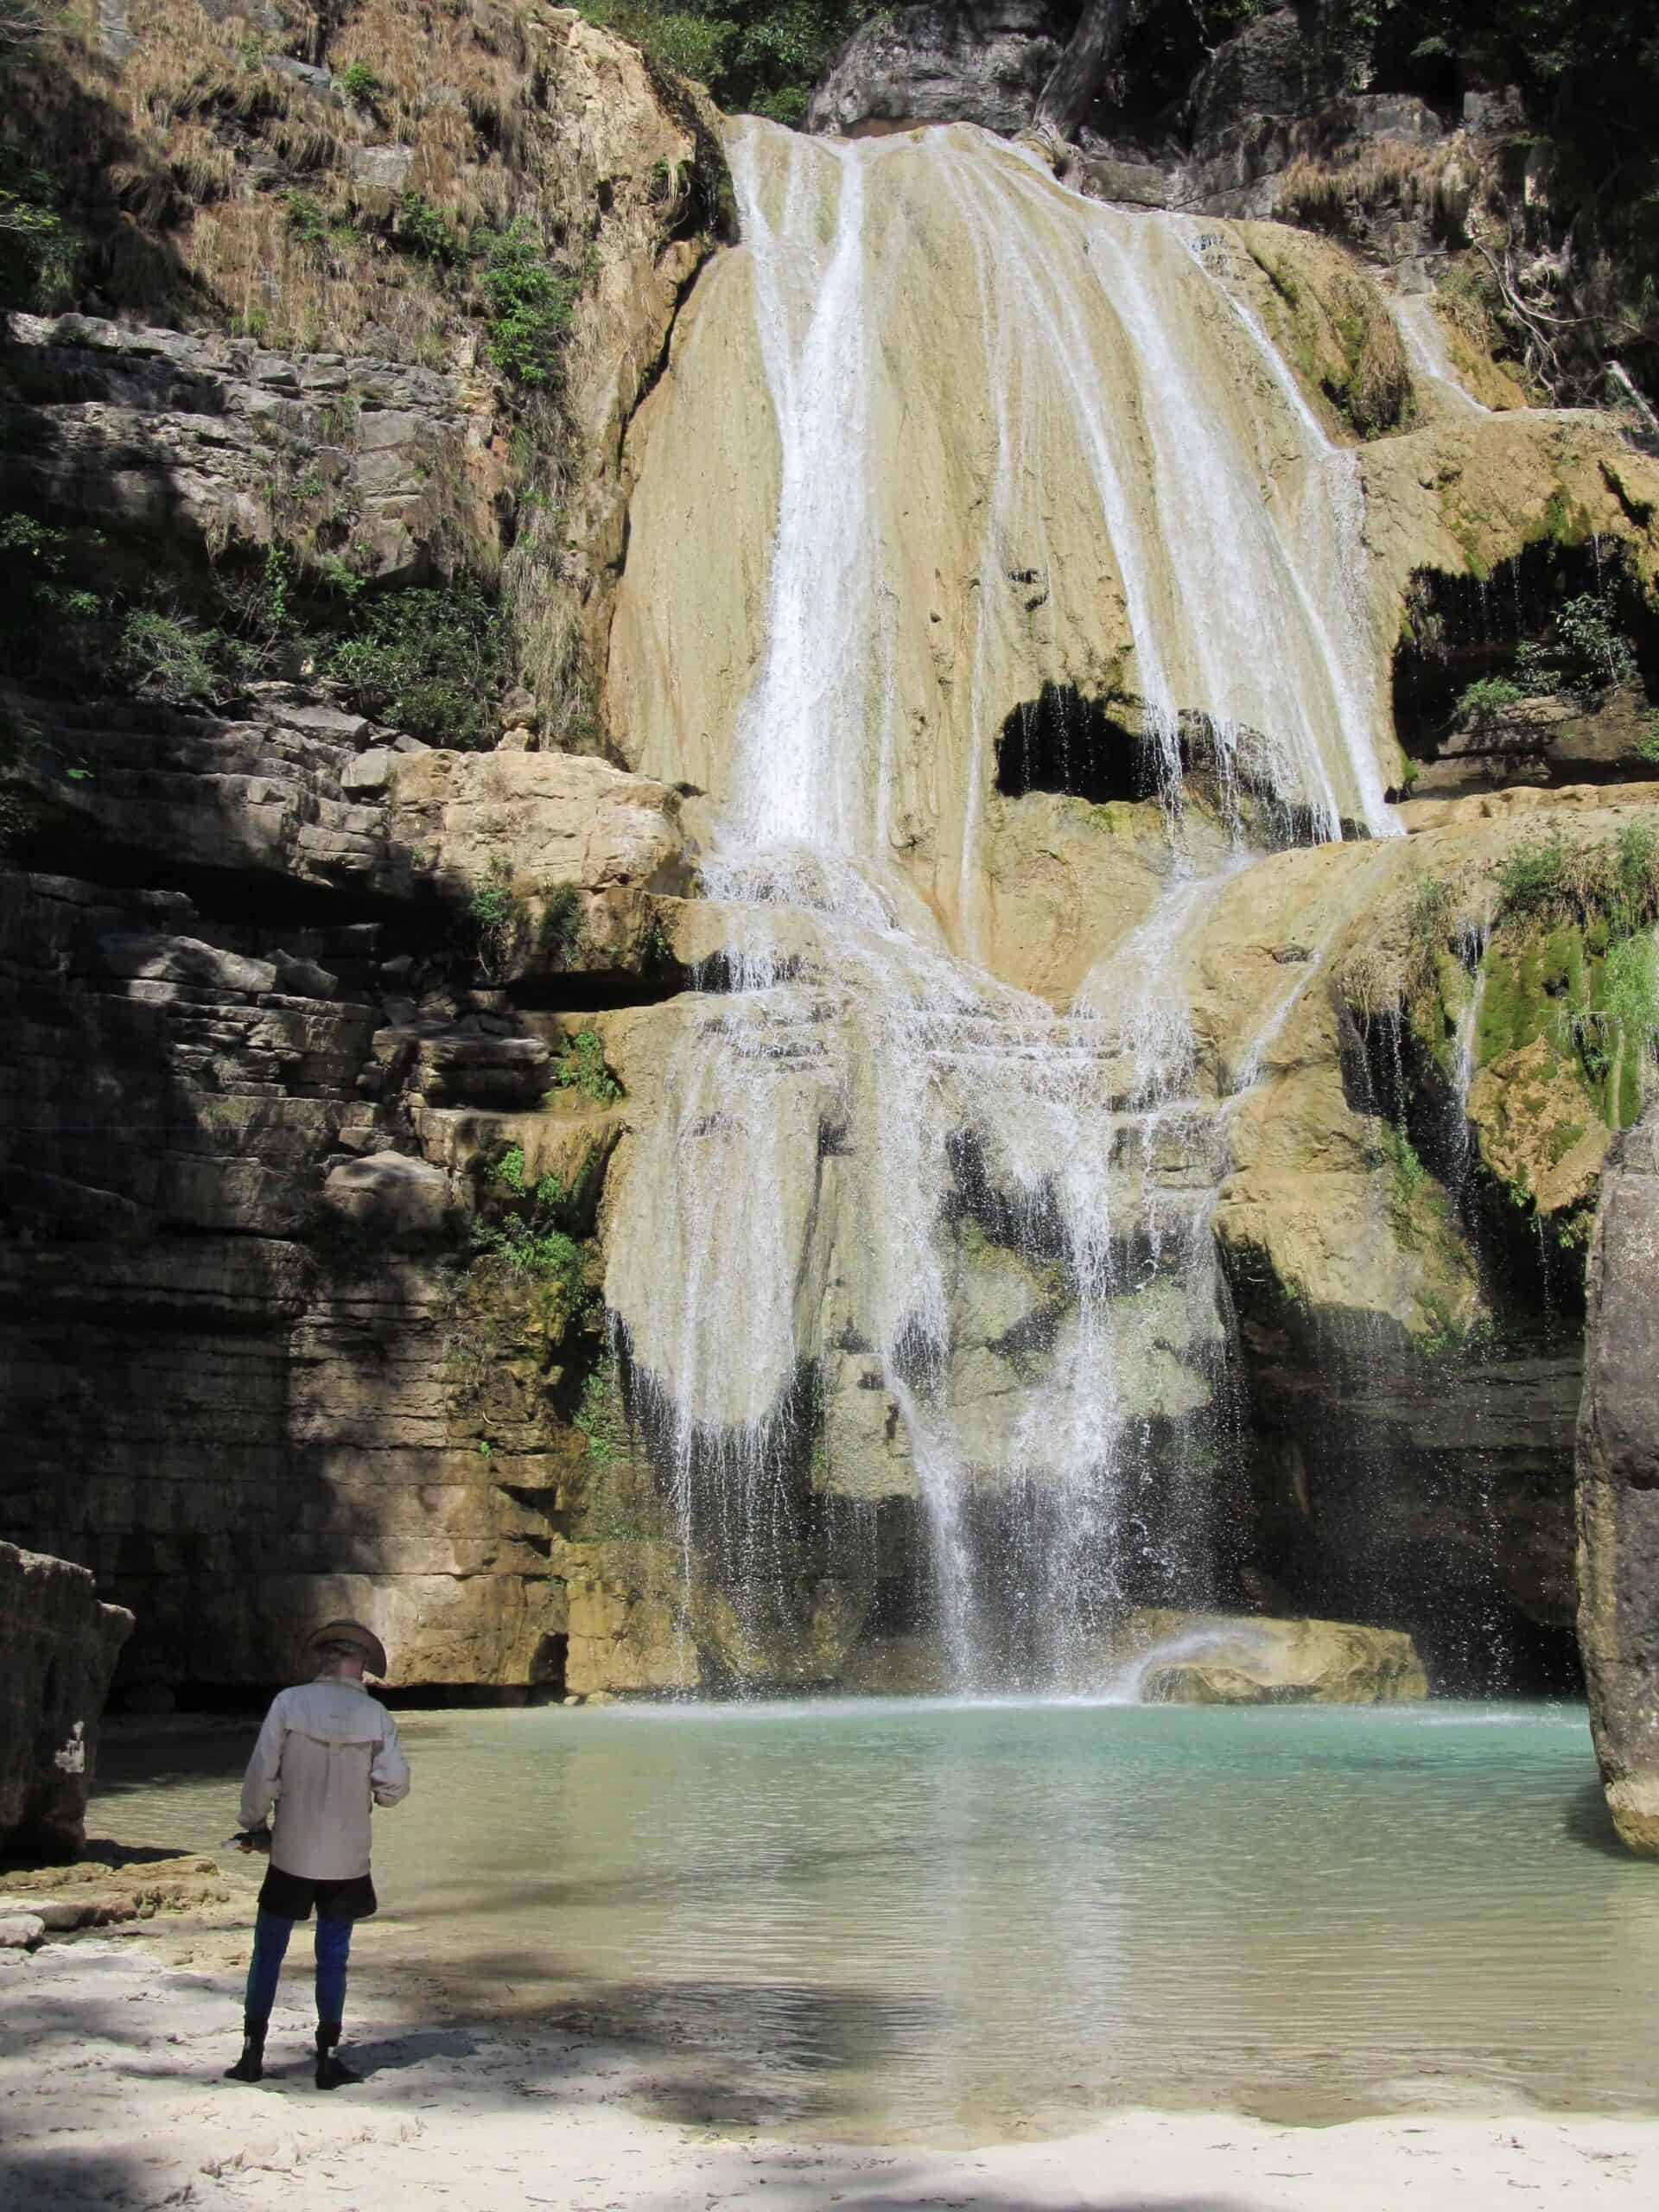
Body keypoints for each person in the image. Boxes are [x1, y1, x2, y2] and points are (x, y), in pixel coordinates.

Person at [224, 1618, 410, 2090]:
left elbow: (261, 1774)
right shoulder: (376, 1717)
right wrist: (370, 1792)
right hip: (347, 1858)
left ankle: (252, 2055)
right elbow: (395, 1788)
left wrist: (253, 1825)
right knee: (333, 1956)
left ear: (325, 1661)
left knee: (268, 1952)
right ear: (358, 1664)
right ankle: (327, 2059)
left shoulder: (289, 1703)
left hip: (291, 1851)